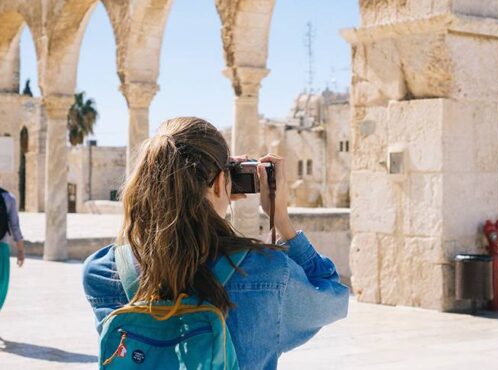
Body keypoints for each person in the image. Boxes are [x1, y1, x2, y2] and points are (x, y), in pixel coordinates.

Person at [82, 117, 349, 369]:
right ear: (222, 182)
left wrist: (217, 185)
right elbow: (333, 297)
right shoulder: (268, 272)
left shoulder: (103, 272)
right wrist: (282, 221)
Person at [0, 187, 25, 311]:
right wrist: (20, 251)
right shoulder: (8, 198)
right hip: (2, 248)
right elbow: (15, 226)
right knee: (1, 285)